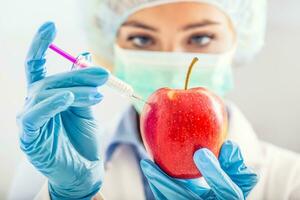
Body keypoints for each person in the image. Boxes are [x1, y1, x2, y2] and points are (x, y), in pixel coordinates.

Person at [11, 0, 300, 199]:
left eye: (200, 38)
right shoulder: (53, 170)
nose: (171, 60)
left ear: (238, 41)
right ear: (109, 44)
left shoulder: (290, 180)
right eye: (142, 39)